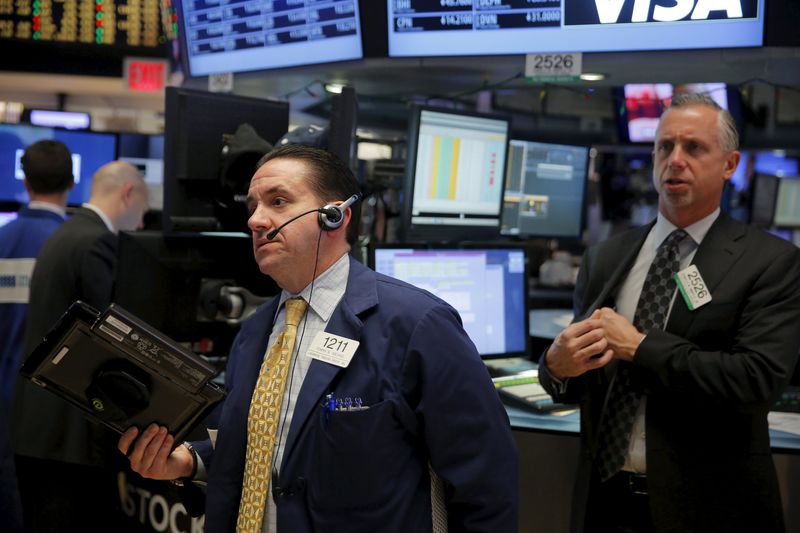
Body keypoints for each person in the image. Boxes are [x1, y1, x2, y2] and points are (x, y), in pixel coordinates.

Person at [120, 144, 518, 532]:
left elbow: (485, 478)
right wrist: (189, 461)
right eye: (253, 206)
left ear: (335, 216)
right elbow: (266, 441)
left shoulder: (417, 324)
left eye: (278, 202)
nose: (256, 221)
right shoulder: (255, 331)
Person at [539, 92, 800, 533]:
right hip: (606, 501)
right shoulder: (607, 256)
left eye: (694, 148)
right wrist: (556, 367)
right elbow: (575, 377)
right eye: (665, 146)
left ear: (730, 164)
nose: (675, 160)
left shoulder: (771, 263)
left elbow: (755, 382)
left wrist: (641, 347)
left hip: (709, 508)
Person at [11, 160, 149, 532]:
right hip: (72, 435)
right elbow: (112, 333)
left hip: (37, 426)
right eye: (143, 209)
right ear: (128, 194)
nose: (140, 222)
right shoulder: (96, 241)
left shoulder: (64, 234)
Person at [0, 139, 74, 533]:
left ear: (25, 182)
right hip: (55, 413)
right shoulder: (76, 246)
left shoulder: (2, 240)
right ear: (72, 181)